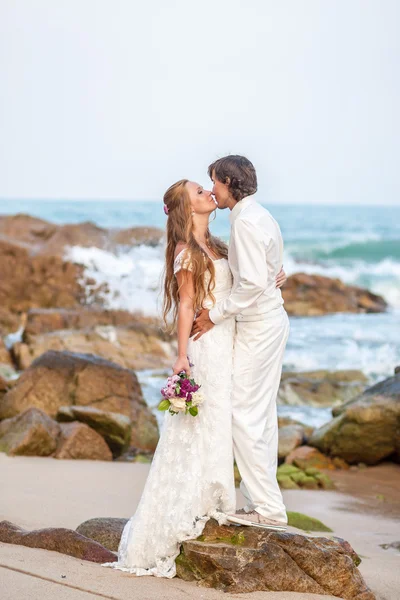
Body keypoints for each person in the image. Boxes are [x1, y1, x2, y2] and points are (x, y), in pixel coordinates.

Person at [102, 178, 286, 579]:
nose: (209, 194)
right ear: (188, 209)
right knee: (203, 420)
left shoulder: (220, 245)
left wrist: (273, 275)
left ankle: (218, 497)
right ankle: (198, 503)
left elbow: (248, 281)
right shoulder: (186, 252)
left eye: (208, 189)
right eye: (200, 193)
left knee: (222, 418)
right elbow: (186, 304)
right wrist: (182, 356)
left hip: (231, 340)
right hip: (207, 343)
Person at [191, 155, 290, 530]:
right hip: (270, 321)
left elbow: (249, 284)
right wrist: (274, 275)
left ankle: (267, 508)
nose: (212, 188)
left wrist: (214, 316)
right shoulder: (258, 215)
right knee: (261, 415)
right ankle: (264, 501)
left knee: (244, 413)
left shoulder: (246, 223)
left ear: (230, 182)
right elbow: (265, 269)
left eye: (214, 181)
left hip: (259, 326)